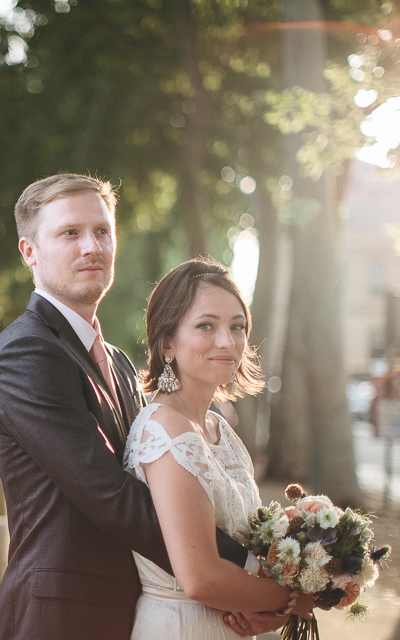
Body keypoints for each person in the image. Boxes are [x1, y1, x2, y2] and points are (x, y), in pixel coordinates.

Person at [0, 174, 266, 639]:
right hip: (58, 620)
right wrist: (245, 572)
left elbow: (162, 484)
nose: (91, 247)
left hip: (131, 615)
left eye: (102, 231)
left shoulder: (116, 362)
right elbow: (111, 495)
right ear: (29, 251)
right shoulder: (26, 353)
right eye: (70, 233)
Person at [124, 257, 311, 638]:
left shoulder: (218, 428)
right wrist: (291, 600)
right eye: (206, 325)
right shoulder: (165, 430)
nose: (227, 341)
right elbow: (201, 578)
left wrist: (272, 606)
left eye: (237, 326)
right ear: (167, 342)